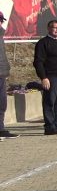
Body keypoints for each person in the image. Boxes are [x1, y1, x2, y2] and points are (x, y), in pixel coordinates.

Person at [0, 11, 17, 140]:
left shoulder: (1, 35)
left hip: (2, 73)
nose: (1, 23)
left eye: (1, 20)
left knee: (2, 103)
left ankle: (1, 128)